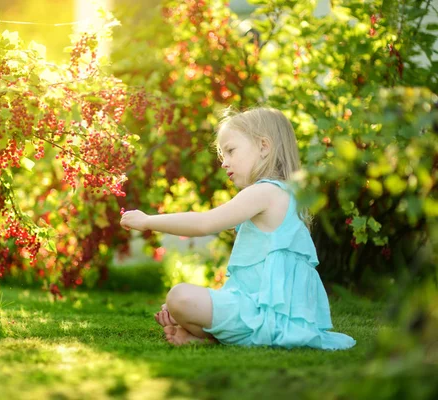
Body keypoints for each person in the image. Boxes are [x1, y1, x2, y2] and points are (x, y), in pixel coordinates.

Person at [120, 107, 356, 350]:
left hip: (265, 318)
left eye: (231, 151)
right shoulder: (285, 194)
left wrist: (148, 221)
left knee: (180, 297)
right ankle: (204, 335)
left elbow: (205, 223)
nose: (224, 163)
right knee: (181, 304)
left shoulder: (265, 192)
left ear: (264, 147)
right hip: (258, 310)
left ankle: (208, 334)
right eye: (222, 155)